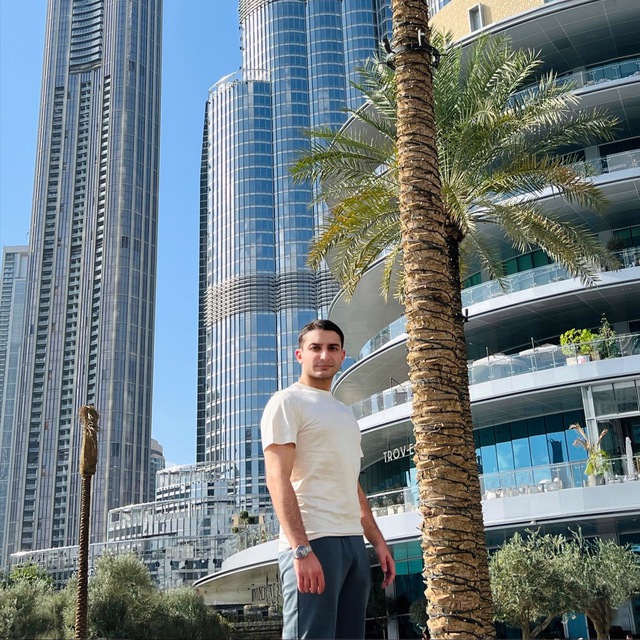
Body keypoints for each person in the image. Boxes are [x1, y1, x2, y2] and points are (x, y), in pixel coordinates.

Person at [261, 319, 396, 639]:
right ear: (300, 355)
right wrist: (301, 549)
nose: (324, 355)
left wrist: (377, 541)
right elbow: (276, 478)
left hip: (353, 543)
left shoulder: (345, 413)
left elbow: (352, 483)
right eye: (316, 348)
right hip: (314, 539)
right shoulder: (286, 402)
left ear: (342, 355)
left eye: (332, 348)